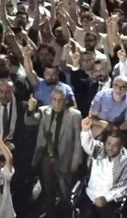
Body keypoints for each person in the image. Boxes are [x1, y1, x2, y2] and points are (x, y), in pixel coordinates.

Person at [25, 87, 83, 217]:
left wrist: (75, 163)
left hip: (65, 159)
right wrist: (30, 109)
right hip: (46, 158)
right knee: (48, 192)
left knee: (65, 194)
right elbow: (29, 121)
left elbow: (78, 141)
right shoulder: (43, 111)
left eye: (60, 100)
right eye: (54, 99)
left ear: (66, 101)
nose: (57, 103)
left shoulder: (75, 115)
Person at [79, 120, 127, 218]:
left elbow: (124, 187)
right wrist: (85, 130)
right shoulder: (100, 149)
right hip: (90, 195)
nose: (110, 147)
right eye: (109, 143)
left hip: (110, 201)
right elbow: (87, 144)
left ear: (121, 146)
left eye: (115, 145)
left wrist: (106, 198)